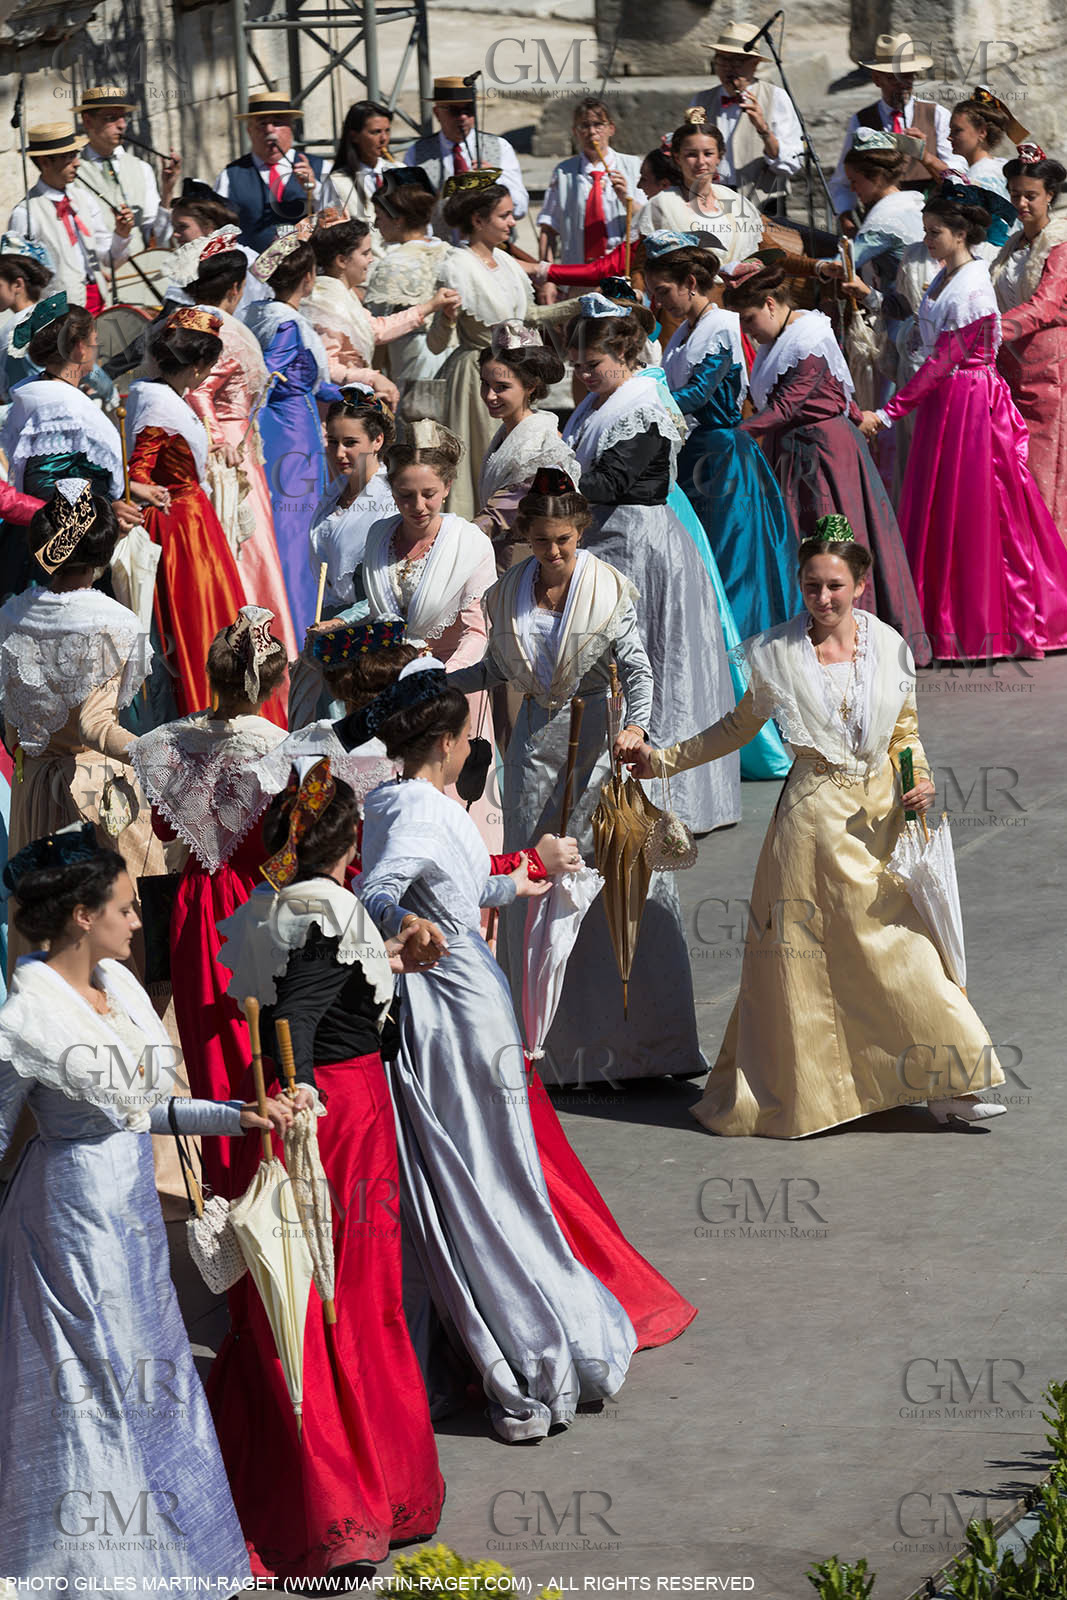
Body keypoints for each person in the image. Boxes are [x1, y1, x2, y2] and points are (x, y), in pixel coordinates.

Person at [619, 522, 1009, 1137]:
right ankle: (814, 1093)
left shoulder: (888, 647)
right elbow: (735, 729)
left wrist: (920, 781)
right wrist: (663, 760)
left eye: (835, 586)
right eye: (811, 587)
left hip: (881, 822)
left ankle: (949, 1083)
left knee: (905, 951)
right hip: (808, 826)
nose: (823, 599)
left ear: (860, 585)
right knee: (807, 966)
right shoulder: (774, 653)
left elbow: (904, 734)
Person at [0, 826, 296, 1587]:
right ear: (79, 916)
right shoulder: (25, 1021)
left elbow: (149, 1110)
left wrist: (239, 1116)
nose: (140, 922)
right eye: (127, 909)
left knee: (153, 1376)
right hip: (65, 1228)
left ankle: (181, 1548)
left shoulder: (122, 991)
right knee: (90, 1390)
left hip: (130, 1222)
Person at [355, 662, 637, 1439]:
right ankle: (537, 1345)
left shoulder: (393, 800)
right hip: (455, 1008)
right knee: (486, 1175)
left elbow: (459, 886)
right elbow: (381, 889)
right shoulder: (415, 812)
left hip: (453, 1004)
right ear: (445, 743)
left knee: (475, 1172)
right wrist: (402, 929)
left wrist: (525, 880)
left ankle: (494, 1334)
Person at [209, 765, 444, 1577]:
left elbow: (304, 986)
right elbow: (299, 1015)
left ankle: (345, 1485)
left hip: (295, 1110)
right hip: (339, 1120)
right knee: (349, 1299)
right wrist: (305, 1087)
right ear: (352, 844)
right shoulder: (330, 908)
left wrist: (380, 961)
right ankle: (349, 1498)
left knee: (300, 1294)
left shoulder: (275, 906)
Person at [451, 466, 705, 1084]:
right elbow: (494, 671)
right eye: (543, 541)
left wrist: (637, 729)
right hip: (535, 760)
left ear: (579, 531)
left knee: (613, 883)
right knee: (539, 883)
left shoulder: (606, 589)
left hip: (598, 756)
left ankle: (647, 1047)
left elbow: (639, 672)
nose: (556, 552)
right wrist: (430, 683)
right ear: (527, 538)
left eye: (564, 539)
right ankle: (553, 1048)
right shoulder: (507, 592)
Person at [861, 193, 1067, 660]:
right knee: (938, 506)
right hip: (945, 402)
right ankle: (937, 618)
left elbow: (944, 361)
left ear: (960, 234)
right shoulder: (944, 276)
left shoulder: (972, 285)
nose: (927, 239)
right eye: (926, 230)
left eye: (935, 231)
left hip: (969, 403)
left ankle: (993, 621)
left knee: (978, 508)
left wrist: (889, 412)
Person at [562, 295, 740, 834]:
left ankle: (668, 798)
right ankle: (613, 791)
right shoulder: (601, 403)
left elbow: (611, 482)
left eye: (592, 364)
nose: (584, 374)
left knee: (651, 661)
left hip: (641, 545)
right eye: (579, 365)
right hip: (610, 540)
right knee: (615, 662)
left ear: (624, 353)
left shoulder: (642, 406)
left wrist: (550, 478)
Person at [131, 609, 287, 1192]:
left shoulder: (173, 741)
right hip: (260, 903)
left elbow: (169, 832)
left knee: (210, 1051)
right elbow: (291, 844)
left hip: (195, 909)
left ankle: (225, 1189)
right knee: (265, 1052)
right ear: (269, 684)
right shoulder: (283, 751)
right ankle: (271, 1191)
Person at [721, 261, 928, 658]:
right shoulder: (781, 340)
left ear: (770, 304)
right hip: (797, 452)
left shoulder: (807, 339)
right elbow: (838, 394)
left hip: (822, 458)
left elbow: (787, 405)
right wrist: (855, 415)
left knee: (832, 541)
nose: (747, 331)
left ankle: (851, 644)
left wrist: (730, 437)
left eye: (748, 319)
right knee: (804, 546)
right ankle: (810, 638)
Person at [0, 485, 166, 975]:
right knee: (116, 935)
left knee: (46, 931)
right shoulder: (111, 622)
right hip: (96, 795)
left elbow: (11, 727)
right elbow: (97, 726)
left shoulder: (11, 615)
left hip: (31, 789)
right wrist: (158, 753)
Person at [646, 237, 799, 640]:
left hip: (721, 457)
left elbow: (699, 393)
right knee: (702, 557)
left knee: (731, 559)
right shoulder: (682, 333)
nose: (660, 302)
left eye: (664, 291)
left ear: (691, 282)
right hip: (693, 455)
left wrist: (641, 402)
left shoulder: (721, 326)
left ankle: (739, 649)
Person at [355, 421, 499, 842]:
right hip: (390, 688)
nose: (418, 505)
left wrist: (437, 680)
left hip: (450, 692)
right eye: (405, 495)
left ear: (448, 486)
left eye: (429, 494)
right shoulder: (379, 535)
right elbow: (380, 614)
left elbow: (478, 633)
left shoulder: (469, 544)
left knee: (450, 809)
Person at [126, 309, 250, 714]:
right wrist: (149, 487)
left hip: (192, 518)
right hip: (181, 528)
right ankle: (207, 706)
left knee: (213, 618)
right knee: (200, 621)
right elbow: (137, 473)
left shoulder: (158, 396)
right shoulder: (158, 406)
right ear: (198, 368)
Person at [181, 234, 298, 657]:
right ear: (235, 288)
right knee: (245, 545)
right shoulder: (221, 329)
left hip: (227, 442)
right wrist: (216, 441)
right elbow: (199, 390)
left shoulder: (184, 320)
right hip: (228, 449)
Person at [0, 299, 145, 600]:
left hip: (44, 539)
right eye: (95, 342)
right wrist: (108, 510)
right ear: (78, 348)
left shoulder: (39, 394)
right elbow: (47, 488)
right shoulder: (63, 410)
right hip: (61, 558)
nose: (97, 348)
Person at [425, 174, 550, 519]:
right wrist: (446, 318)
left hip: (517, 372)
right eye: (504, 215)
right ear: (478, 221)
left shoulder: (508, 263)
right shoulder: (455, 265)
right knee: (482, 460)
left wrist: (584, 302)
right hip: (475, 378)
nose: (513, 221)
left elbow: (531, 316)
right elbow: (435, 344)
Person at [244, 227, 343, 634]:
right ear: (308, 277)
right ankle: (294, 619)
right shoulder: (286, 323)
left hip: (291, 419)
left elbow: (310, 382)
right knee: (294, 524)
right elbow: (272, 377)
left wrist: (352, 391)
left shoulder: (260, 314)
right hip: (290, 429)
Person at [991, 149, 1067, 545]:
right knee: (1015, 468)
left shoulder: (1060, 243)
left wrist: (990, 331)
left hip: (1049, 375)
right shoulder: (1014, 244)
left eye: (1030, 195)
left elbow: (1046, 304)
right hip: (1011, 370)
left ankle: (1053, 566)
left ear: (1049, 196)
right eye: (1015, 193)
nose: (1020, 203)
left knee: (1045, 470)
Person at [302, 214, 457, 396]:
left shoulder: (342, 293)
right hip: (333, 398)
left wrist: (431, 305)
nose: (371, 259)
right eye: (365, 253)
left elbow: (376, 328)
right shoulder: (326, 300)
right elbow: (326, 365)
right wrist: (371, 377)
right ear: (342, 260)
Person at [475, 323, 575, 575]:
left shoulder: (540, 444)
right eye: (485, 384)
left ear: (530, 387)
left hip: (523, 561)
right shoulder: (508, 432)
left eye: (501, 387)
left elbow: (505, 510)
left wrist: (458, 536)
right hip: (495, 553)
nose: (489, 396)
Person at [8, 122, 133, 312]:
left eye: (75, 154)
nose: (77, 162)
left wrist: (121, 234)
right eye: (68, 157)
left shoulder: (84, 198)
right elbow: (17, 281)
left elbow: (109, 259)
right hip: (59, 313)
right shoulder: (26, 212)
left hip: (99, 301)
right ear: (45, 162)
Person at [828, 34, 952, 221]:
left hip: (929, 220)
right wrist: (845, 217)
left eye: (908, 77)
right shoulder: (861, 120)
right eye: (894, 79)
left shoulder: (937, 115)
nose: (903, 85)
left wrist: (925, 157)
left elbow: (957, 178)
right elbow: (843, 181)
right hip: (879, 220)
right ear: (877, 79)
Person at [690, 21, 804, 205]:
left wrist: (763, 129)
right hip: (713, 197)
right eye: (722, 60)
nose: (729, 68)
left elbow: (792, 163)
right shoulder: (701, 101)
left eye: (737, 61)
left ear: (755, 63)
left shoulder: (776, 97)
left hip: (764, 200)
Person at [215, 90, 340, 252]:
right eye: (261, 123)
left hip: (308, 268)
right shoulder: (230, 175)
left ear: (291, 128)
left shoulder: (320, 168)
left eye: (277, 122)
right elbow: (217, 228)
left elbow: (338, 219)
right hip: (251, 271)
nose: (269, 130)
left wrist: (314, 188)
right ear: (249, 131)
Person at [365, 168, 455, 390]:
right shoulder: (451, 252)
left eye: (379, 217)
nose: (376, 225)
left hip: (415, 362)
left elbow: (376, 335)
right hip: (454, 359)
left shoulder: (392, 264)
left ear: (397, 220)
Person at [635, 111, 764, 261]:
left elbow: (760, 251)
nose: (701, 162)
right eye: (691, 155)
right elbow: (643, 264)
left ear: (719, 157)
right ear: (677, 158)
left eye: (708, 154)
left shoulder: (736, 201)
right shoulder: (661, 205)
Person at [404, 75, 528, 231]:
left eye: (468, 110)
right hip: (439, 248)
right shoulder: (417, 153)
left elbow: (521, 208)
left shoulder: (500, 147)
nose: (462, 117)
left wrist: (497, 180)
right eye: (454, 111)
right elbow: (408, 212)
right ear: (437, 113)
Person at [537, 98, 646, 268]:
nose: (592, 132)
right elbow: (549, 227)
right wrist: (546, 276)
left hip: (622, 267)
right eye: (584, 126)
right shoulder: (564, 172)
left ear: (611, 129)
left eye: (598, 125)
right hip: (579, 269)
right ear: (575, 131)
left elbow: (648, 220)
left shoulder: (633, 166)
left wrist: (626, 198)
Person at [73, 84, 180, 251]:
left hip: (140, 270)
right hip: (99, 272)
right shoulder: (72, 172)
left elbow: (155, 235)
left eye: (124, 117)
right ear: (88, 121)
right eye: (111, 118)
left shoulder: (142, 168)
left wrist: (167, 191)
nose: (122, 125)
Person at [326, 99, 400, 232]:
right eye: (375, 132)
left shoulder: (401, 170)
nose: (384, 139)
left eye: (387, 131)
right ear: (354, 136)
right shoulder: (337, 182)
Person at [0, 247, 52, 400]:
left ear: (17, 285)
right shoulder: (56, 313)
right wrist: (108, 393)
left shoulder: (16, 329)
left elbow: (30, 390)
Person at [946, 90, 1015, 199]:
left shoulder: (981, 176)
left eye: (957, 130)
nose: (949, 137)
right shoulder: (1000, 166)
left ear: (982, 132)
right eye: (950, 130)